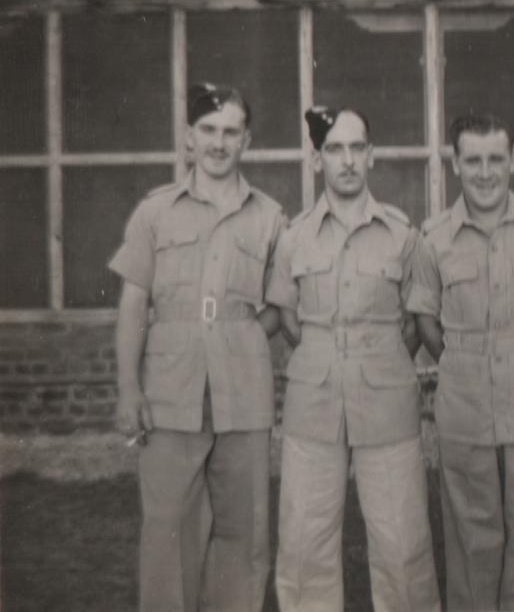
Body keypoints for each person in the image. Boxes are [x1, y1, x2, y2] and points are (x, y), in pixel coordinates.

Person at [111, 83, 285, 612]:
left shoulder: (269, 216)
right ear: (189, 140)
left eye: (230, 131)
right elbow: (133, 305)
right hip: (169, 393)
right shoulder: (155, 212)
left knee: (244, 535)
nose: (218, 142)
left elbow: (280, 304)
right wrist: (127, 390)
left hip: (243, 395)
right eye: (208, 130)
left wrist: (244, 334)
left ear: (246, 141)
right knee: (168, 536)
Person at [266, 106, 440, 612]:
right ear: (316, 158)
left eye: (356, 148)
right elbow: (290, 321)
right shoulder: (293, 236)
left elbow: (414, 322)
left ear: (372, 156)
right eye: (334, 150)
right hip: (313, 402)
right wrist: (329, 356)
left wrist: (377, 357)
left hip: (387, 401)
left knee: (402, 542)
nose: (346, 160)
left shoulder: (403, 235)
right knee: (304, 543)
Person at [407, 113, 514, 611]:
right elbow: (424, 318)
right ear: (456, 164)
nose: (485, 172)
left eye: (495, 160)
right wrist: (462, 362)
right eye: (474, 160)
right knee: (471, 532)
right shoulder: (433, 237)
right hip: (463, 395)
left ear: (513, 161)